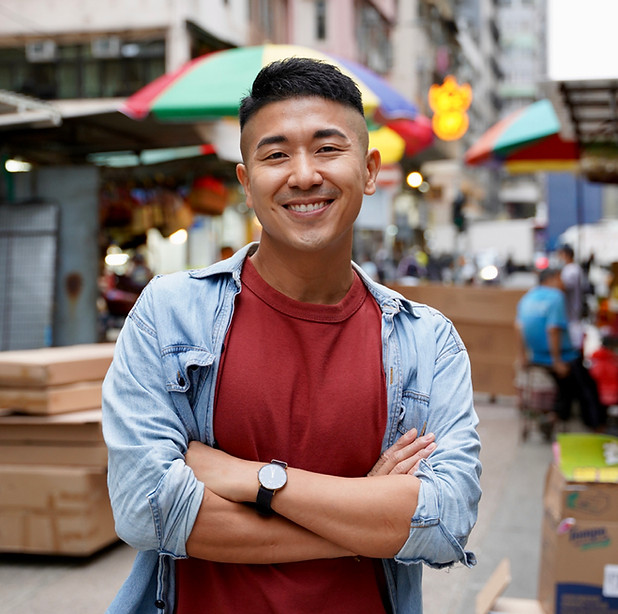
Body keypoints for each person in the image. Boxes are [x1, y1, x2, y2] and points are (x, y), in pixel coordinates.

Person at [102, 57, 482, 614]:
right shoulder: (169, 313)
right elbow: (146, 509)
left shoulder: (427, 343)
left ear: (371, 170)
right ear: (247, 184)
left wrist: (250, 477)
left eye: (328, 149)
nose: (303, 175)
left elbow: (445, 522)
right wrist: (365, 522)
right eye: (276, 155)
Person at [516, 267, 606, 430]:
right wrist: (556, 361)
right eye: (560, 278)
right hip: (559, 356)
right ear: (550, 279)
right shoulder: (556, 297)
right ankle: (596, 425)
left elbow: (519, 328)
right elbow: (553, 330)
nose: (563, 283)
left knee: (566, 385)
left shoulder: (527, 298)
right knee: (586, 384)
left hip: (536, 357)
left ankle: (556, 415)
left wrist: (523, 356)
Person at [556, 244, 586, 350]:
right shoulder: (569, 268)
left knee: (574, 345)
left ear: (566, 255)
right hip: (569, 313)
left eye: (560, 254)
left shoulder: (572, 269)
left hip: (572, 313)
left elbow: (563, 286)